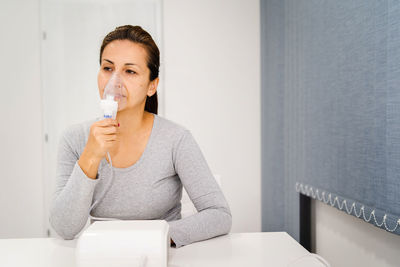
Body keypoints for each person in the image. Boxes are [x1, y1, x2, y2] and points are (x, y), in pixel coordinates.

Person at [49, 25, 232, 248]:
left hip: (160, 256)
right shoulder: (74, 138)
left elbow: (219, 214)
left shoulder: (176, 140)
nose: (114, 81)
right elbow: (64, 229)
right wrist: (90, 156)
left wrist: (152, 238)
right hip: (102, 256)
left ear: (152, 85)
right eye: (108, 68)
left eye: (130, 71)